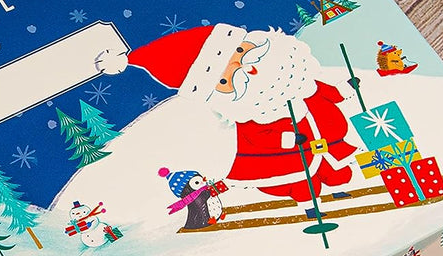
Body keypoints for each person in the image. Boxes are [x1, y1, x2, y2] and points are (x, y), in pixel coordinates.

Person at [97, 23, 357, 215]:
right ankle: (311, 207)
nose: (246, 68)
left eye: (241, 52)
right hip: (287, 154)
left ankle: (338, 188)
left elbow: (323, 93)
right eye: (224, 79)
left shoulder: (297, 80)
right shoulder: (253, 111)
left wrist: (344, 90)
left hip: (320, 141)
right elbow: (258, 137)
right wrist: (287, 139)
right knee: (301, 180)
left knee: (331, 165)